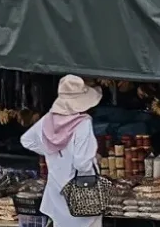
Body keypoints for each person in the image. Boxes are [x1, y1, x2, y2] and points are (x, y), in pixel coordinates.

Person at [20, 75, 102, 227]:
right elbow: (82, 163)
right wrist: (95, 159)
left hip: (56, 192)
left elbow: (27, 140)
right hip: (81, 192)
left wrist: (51, 151)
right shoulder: (83, 123)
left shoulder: (47, 120)